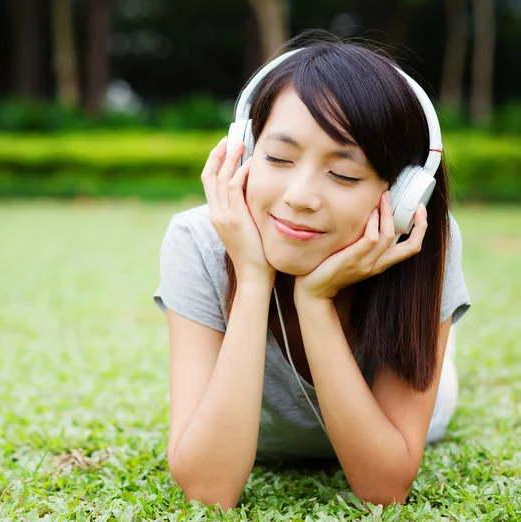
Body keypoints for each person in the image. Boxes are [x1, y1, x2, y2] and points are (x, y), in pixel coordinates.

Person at [152, 35, 471, 511]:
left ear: (405, 194)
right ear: (242, 151)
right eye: (278, 158)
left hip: (403, 409)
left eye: (344, 175)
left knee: (436, 386)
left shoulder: (420, 243)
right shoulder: (197, 239)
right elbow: (208, 492)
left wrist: (315, 302)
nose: (300, 196)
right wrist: (254, 277)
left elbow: (384, 491)